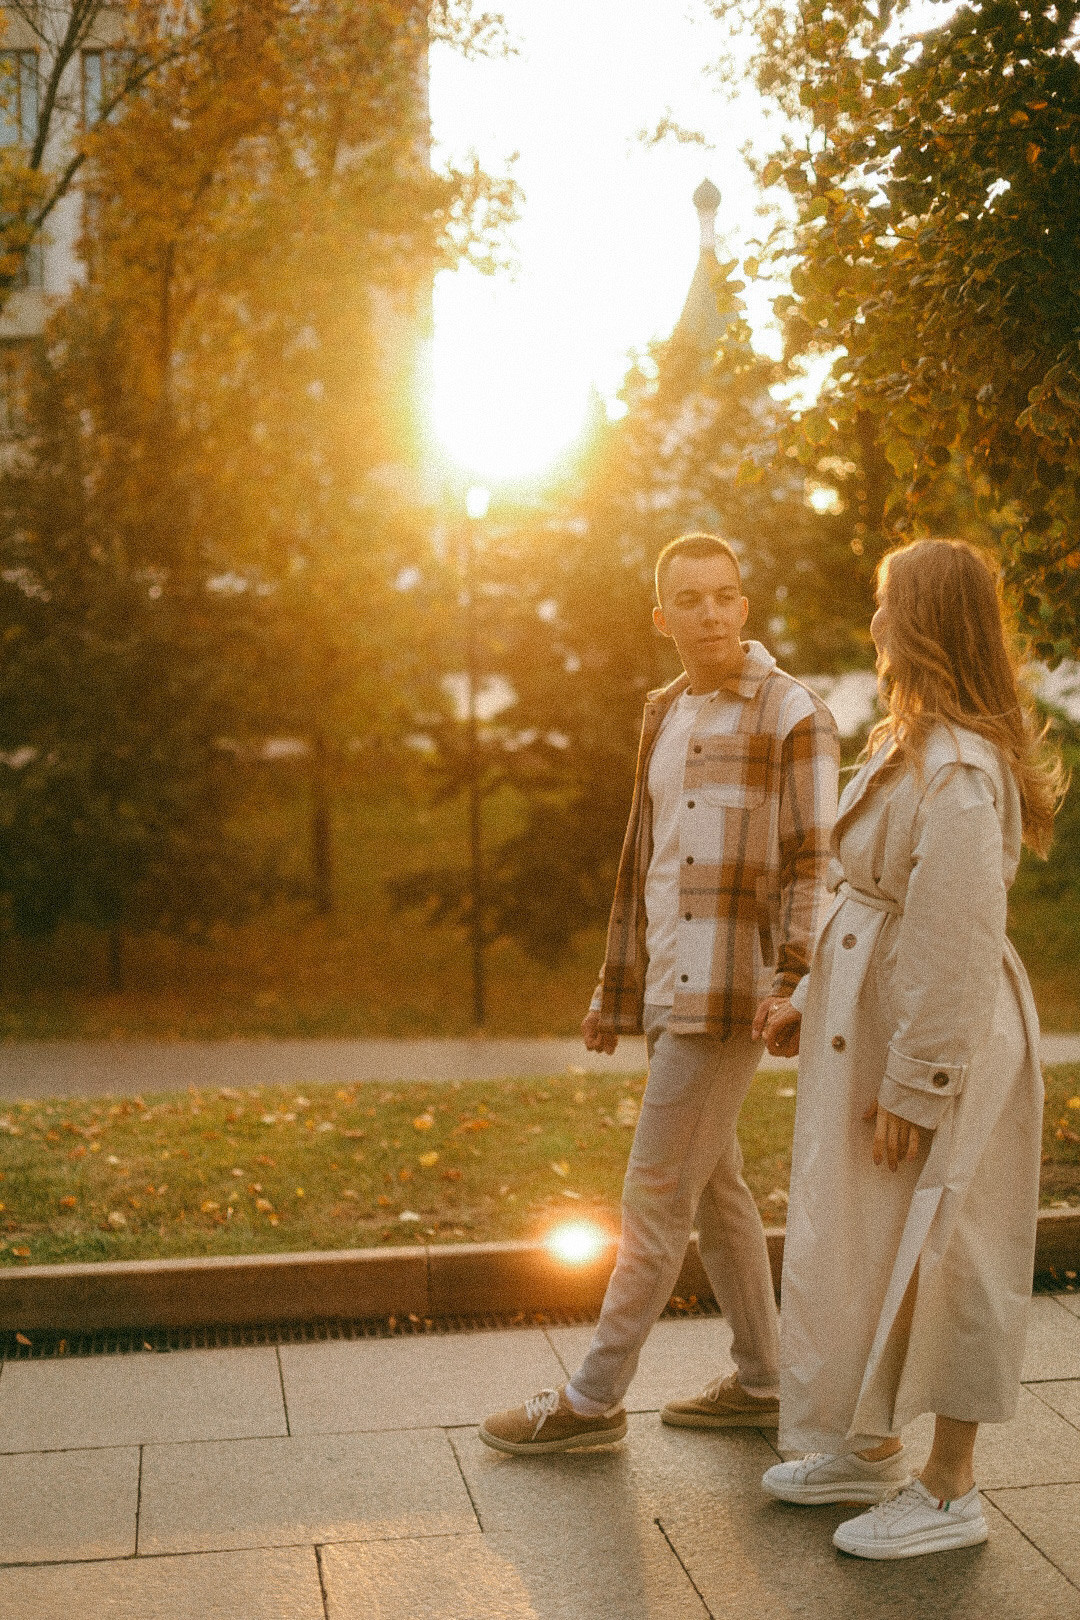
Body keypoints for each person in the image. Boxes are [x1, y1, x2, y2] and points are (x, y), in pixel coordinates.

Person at [479, 532, 840, 1455]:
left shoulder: (792, 714)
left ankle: (591, 1401)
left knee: (654, 1190)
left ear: (744, 606)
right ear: (663, 616)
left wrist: (794, 979)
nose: (711, 613)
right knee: (715, 1189)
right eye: (691, 599)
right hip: (671, 987)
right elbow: (646, 861)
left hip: (733, 998)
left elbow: (815, 862)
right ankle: (764, 1381)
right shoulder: (665, 711)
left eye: (726, 595)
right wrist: (616, 985)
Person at [759, 538, 1065, 1558]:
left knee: (951, 1246)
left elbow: (954, 932)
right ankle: (867, 1443)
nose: (876, 621)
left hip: (939, 1039)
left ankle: (949, 1490)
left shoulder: (964, 770)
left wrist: (915, 1083)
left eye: (890, 605)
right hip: (878, 1022)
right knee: (875, 1242)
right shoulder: (912, 739)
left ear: (927, 621)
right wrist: (811, 991)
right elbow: (873, 893)